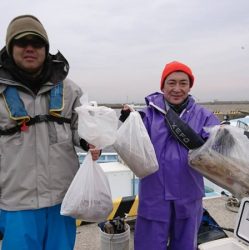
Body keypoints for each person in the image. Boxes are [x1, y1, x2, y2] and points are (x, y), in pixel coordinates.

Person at [0, 14, 100, 250]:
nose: (30, 48)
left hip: (63, 201)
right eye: (22, 42)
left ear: (46, 48)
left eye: (36, 43)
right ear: (10, 47)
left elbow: (80, 128)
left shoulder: (70, 89)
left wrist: (91, 141)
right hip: (16, 204)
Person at [120, 61, 220, 250]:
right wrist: (126, 120)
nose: (177, 88)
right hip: (154, 195)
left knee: (185, 245)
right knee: (148, 245)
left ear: (190, 86)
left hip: (189, 195)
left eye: (183, 83)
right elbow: (131, 142)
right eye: (171, 82)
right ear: (162, 86)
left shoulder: (205, 116)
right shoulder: (147, 114)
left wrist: (225, 136)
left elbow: (216, 147)